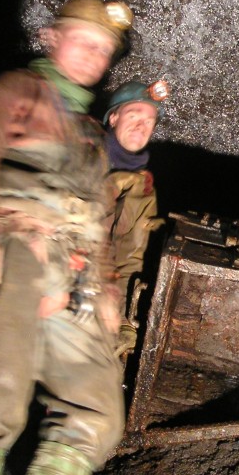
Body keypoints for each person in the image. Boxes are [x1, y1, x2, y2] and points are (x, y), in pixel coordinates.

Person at [0, 0, 132, 475]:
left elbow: (98, 213)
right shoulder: (15, 90)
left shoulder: (92, 133)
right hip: (15, 246)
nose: (95, 56)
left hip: (72, 270)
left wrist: (107, 286)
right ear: (51, 37)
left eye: (104, 49)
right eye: (84, 42)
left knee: (97, 411)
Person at [102, 80, 169, 356]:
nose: (141, 126)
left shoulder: (142, 187)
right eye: (133, 116)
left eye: (149, 121)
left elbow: (130, 257)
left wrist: (122, 318)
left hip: (99, 296)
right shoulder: (82, 156)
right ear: (113, 118)